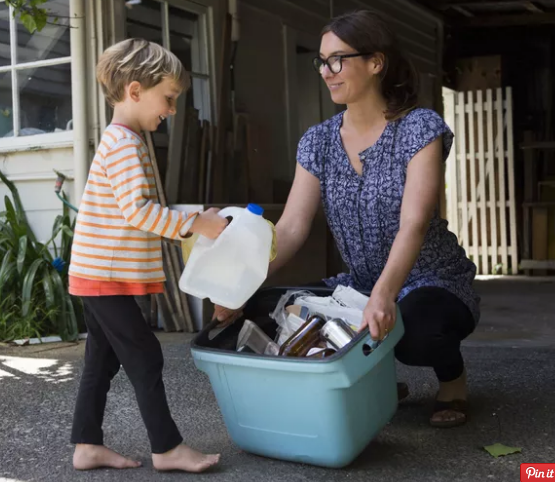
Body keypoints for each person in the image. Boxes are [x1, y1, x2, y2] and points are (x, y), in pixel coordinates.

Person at [214, 10, 480, 429]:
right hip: (358, 283)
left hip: (430, 279)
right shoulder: (318, 140)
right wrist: (240, 284)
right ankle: (373, 381)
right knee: (269, 308)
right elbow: (293, 227)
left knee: (414, 331)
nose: (326, 71)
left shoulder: (419, 129)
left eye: (337, 59)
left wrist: (385, 294)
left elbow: (413, 222)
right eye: (321, 61)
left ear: (376, 62)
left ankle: (452, 379)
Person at [68, 38, 227, 472]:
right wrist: (195, 224)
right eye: (169, 98)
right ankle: (167, 447)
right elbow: (136, 211)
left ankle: (86, 444)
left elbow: (134, 210)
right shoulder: (123, 144)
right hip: (103, 276)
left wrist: (191, 221)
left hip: (98, 273)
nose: (172, 110)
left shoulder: (127, 139)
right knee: (144, 356)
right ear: (135, 91)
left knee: (101, 360)